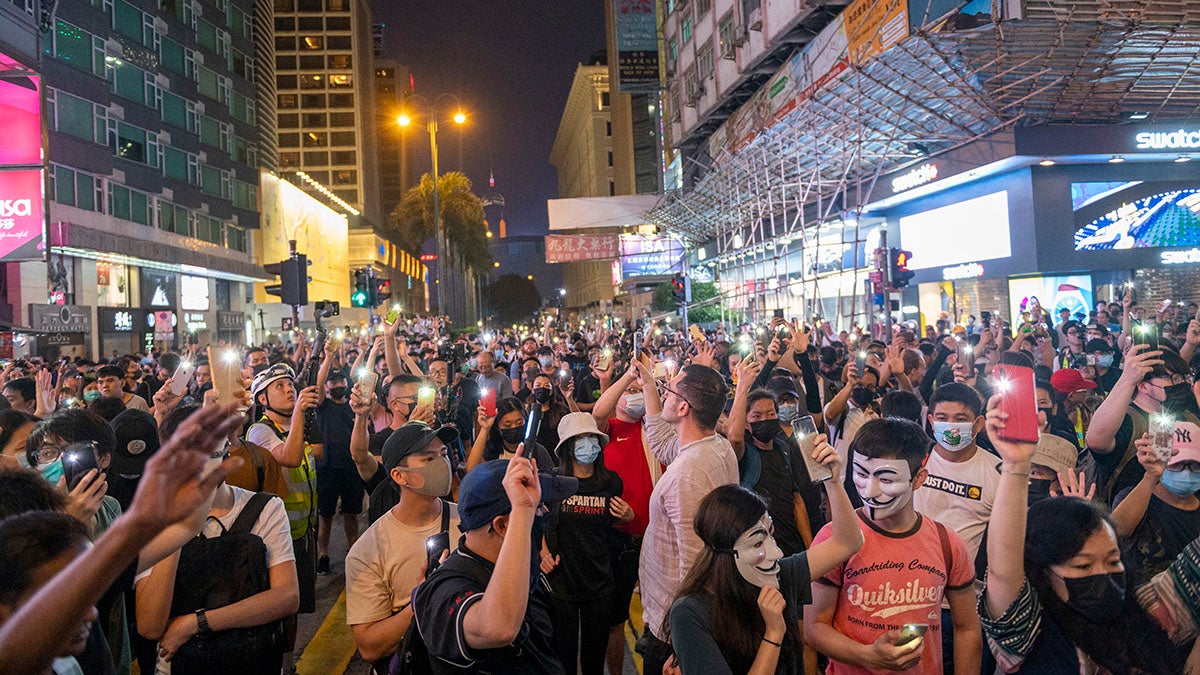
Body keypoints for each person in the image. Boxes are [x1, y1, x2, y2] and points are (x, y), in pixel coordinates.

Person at [0, 404, 243, 675]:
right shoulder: (21, 537)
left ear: (103, 457)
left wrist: (214, 448)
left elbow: (186, 526)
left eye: (69, 452)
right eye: (45, 454)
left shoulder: (110, 511)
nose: (88, 610)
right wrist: (70, 526)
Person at [979, 394, 1188, 673]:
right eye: (1083, 565)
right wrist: (1016, 466)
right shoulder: (1031, 634)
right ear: (1044, 573)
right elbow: (1003, 571)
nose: (1103, 574)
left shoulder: (1145, 616)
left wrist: (1151, 478)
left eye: (1113, 562)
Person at [667, 430, 862, 675]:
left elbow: (848, 542)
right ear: (726, 553)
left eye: (770, 534)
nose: (776, 552)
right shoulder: (691, 612)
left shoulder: (780, 576)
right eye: (758, 543)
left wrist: (833, 482)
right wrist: (773, 633)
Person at [804, 418, 981, 675]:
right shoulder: (834, 540)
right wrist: (868, 656)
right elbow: (814, 627)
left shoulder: (947, 544)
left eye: (886, 479)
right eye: (861, 474)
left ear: (918, 478)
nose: (870, 491)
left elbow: (967, 629)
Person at [135, 405, 299, 673]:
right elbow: (150, 625)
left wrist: (195, 623)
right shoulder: (152, 520)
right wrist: (179, 527)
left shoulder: (265, 507)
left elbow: (286, 596)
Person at [412, 448, 577, 673]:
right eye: (538, 509)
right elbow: (499, 627)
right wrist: (522, 509)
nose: (544, 512)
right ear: (502, 525)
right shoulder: (444, 591)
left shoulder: (521, 568)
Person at [635, 361, 739, 675]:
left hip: (674, 625)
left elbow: (694, 564)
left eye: (668, 390)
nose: (664, 393)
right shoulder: (715, 447)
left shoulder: (687, 476)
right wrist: (649, 387)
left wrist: (686, 644)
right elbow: (664, 445)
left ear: (683, 407)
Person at [345, 423, 459, 671]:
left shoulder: (470, 524)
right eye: (429, 458)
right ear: (399, 475)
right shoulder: (369, 550)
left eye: (444, 455)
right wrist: (423, 599)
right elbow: (369, 647)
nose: (442, 464)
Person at [543, 413, 631, 675]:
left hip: (600, 581)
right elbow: (539, 522)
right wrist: (543, 551)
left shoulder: (611, 482)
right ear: (568, 447)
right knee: (564, 659)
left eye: (592, 438)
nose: (588, 444)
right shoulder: (554, 482)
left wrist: (629, 517)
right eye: (580, 439)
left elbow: (616, 526)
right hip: (562, 583)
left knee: (594, 661)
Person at [244, 363, 321, 648]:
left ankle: (289, 663)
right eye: (279, 386)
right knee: (277, 606)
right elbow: (288, 457)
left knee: (295, 605)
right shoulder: (259, 431)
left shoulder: (298, 426)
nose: (289, 389)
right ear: (262, 399)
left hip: (303, 531)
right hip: (277, 534)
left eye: (291, 384)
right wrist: (300, 412)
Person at [1087, 345, 1199, 503]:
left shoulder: (1190, 419)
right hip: (1131, 516)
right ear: (1143, 385)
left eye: (1183, 378)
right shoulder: (1125, 420)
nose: (1180, 384)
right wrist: (1127, 379)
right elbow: (1096, 441)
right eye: (1173, 378)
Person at [1111, 420, 1200, 585]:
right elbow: (1116, 532)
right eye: (1176, 465)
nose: (1186, 473)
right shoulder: (1135, 497)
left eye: (1195, 465)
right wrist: (1151, 476)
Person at [314, 352, 361, 576]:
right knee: (325, 515)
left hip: (351, 468)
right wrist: (329, 356)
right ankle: (323, 554)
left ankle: (353, 551)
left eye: (341, 381)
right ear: (326, 386)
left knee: (352, 514)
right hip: (327, 469)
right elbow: (317, 382)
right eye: (333, 382)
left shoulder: (353, 406)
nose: (338, 385)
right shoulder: (322, 407)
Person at [467, 395, 556, 472]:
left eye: (519, 423)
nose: (513, 427)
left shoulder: (537, 451)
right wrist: (485, 428)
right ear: (498, 426)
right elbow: (471, 470)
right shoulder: (491, 450)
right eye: (507, 425)